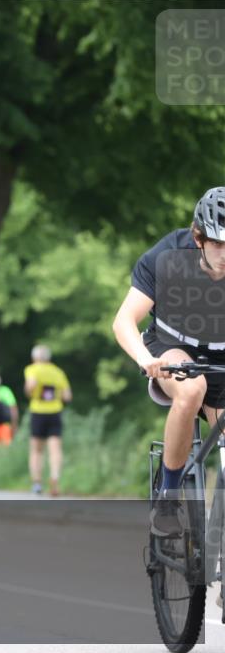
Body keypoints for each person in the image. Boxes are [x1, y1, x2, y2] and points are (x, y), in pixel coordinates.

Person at [113, 186, 225, 536]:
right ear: (197, 237)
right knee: (192, 390)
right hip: (172, 347)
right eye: (219, 244)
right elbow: (124, 320)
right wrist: (146, 359)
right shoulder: (167, 255)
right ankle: (169, 495)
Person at [23, 344, 71, 497]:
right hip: (55, 412)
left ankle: (37, 483)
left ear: (35, 357)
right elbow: (67, 396)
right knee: (55, 449)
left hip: (38, 411)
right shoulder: (58, 372)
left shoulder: (32, 369)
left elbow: (30, 386)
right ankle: (55, 477)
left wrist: (30, 391)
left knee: (37, 450)